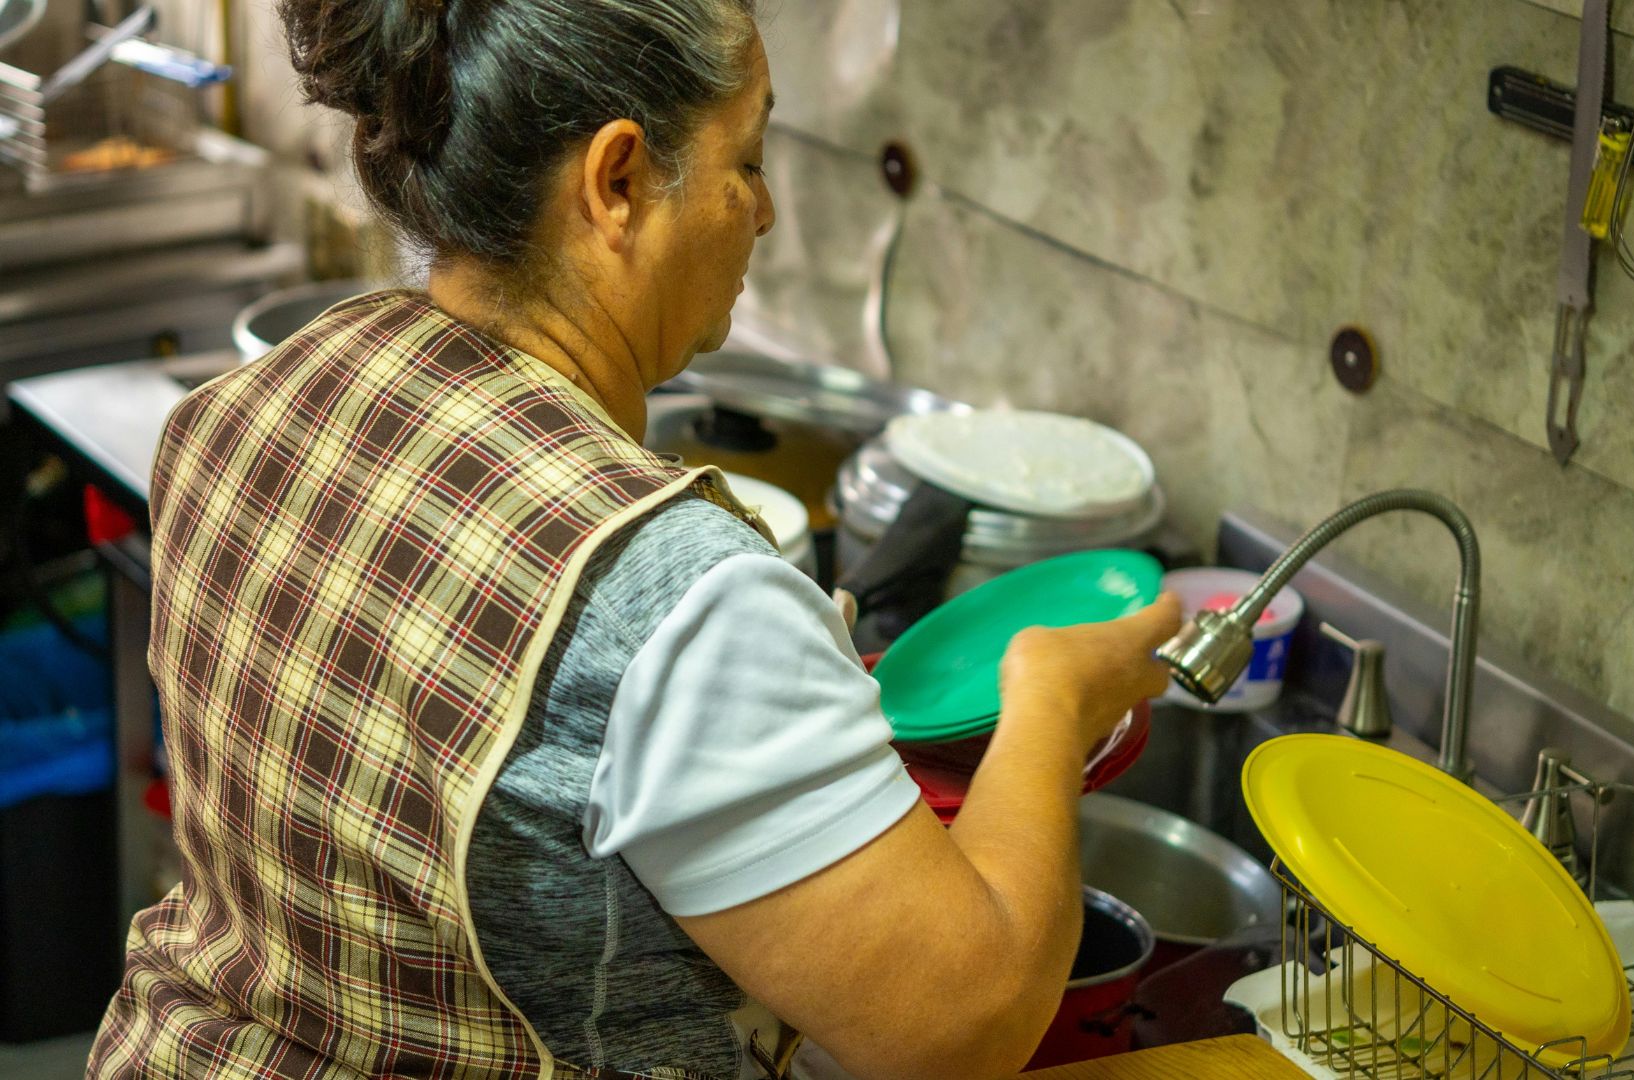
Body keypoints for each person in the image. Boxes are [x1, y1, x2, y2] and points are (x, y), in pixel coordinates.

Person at [86, 2, 1179, 1078]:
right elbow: (959, 1024)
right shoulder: (677, 600)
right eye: (744, 162)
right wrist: (1049, 698)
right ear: (615, 183)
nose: (763, 214)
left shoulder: (250, 405)